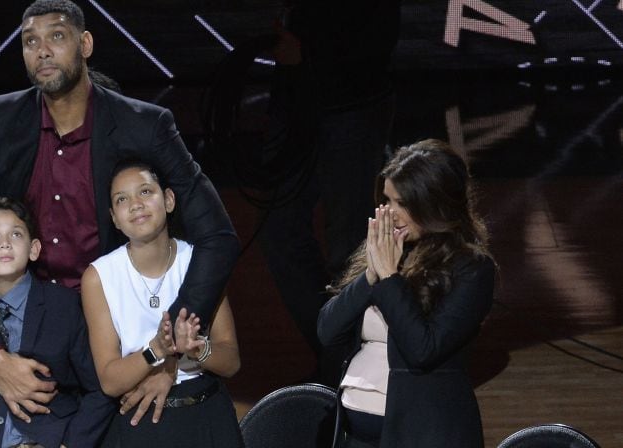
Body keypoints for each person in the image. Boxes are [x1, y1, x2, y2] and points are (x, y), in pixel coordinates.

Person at [0, 0, 239, 423]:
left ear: (86, 43)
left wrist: (168, 353)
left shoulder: (144, 125)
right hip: (28, 332)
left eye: (57, 36)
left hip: (121, 332)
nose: (42, 50)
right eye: (30, 41)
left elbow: (218, 238)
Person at [256, 0, 402, 386]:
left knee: (348, 246)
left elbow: (378, 33)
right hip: (297, 102)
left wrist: (308, 53)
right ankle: (335, 350)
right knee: (280, 232)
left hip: (352, 104)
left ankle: (351, 361)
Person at [317, 139, 496, 448]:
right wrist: (370, 276)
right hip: (356, 436)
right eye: (386, 200)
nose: (391, 213)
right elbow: (327, 331)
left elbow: (422, 349)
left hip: (423, 434)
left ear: (434, 204)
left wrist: (388, 279)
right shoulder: (385, 251)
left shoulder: (472, 270)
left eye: (402, 203)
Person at [81, 160, 243, 447]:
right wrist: (155, 350)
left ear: (168, 200)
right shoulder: (99, 277)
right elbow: (109, 380)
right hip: (141, 417)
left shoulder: (199, 260)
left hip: (206, 411)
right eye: (122, 199)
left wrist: (196, 349)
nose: (135, 205)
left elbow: (230, 362)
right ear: (114, 218)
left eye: (145, 192)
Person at [0, 196, 112, 448]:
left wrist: (72, 443)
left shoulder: (63, 305)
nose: (4, 244)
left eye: (15, 235)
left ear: (34, 248)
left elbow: (99, 387)